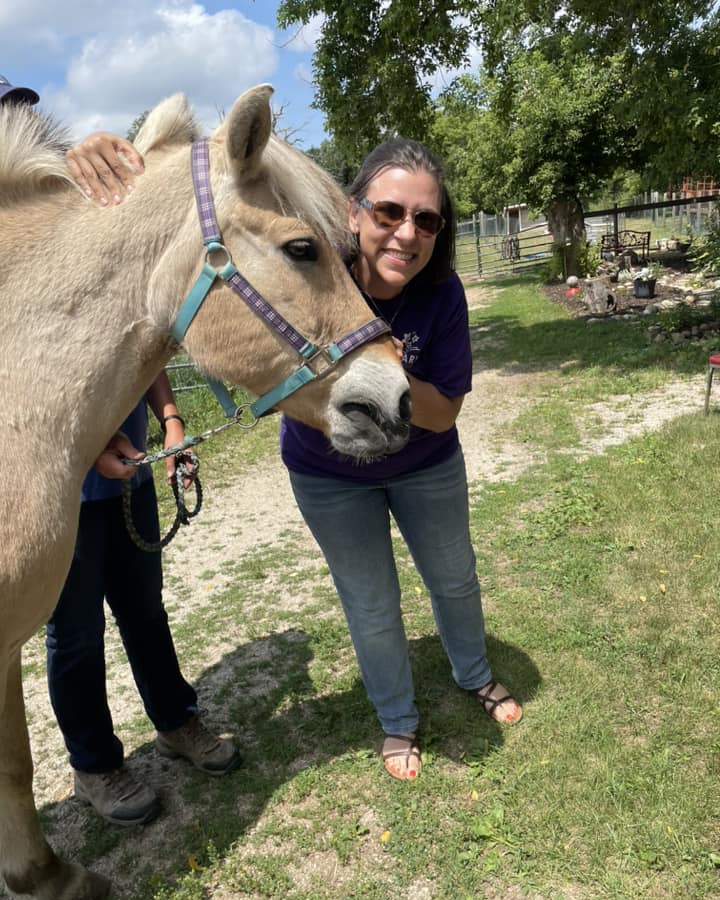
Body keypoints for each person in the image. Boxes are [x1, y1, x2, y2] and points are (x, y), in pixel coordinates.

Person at [2, 75, 240, 824]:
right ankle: (96, 767)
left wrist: (167, 424)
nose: (27, 125)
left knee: (144, 607)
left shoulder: (71, 213)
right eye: (11, 116)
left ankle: (175, 722)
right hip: (47, 486)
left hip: (123, 469)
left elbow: (133, 342)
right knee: (72, 635)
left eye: (24, 112)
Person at [280, 138, 523, 781]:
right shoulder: (310, 273)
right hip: (328, 475)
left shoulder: (442, 295)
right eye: (388, 212)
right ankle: (397, 719)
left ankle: (474, 673)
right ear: (353, 213)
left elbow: (442, 413)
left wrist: (374, 365)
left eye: (426, 219)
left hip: (426, 463)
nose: (406, 233)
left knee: (454, 578)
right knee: (371, 604)